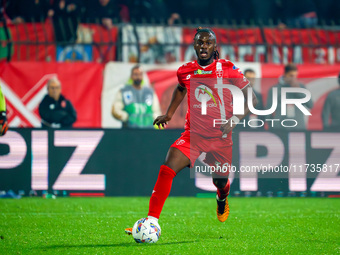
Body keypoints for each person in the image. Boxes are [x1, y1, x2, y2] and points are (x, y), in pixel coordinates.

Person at [125, 27, 257, 235]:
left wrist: (235, 119)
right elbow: (180, 88)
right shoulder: (185, 70)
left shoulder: (228, 68)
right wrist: (169, 114)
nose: (203, 46)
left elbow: (252, 99)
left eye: (208, 43)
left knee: (220, 181)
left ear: (214, 47)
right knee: (168, 166)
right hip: (193, 135)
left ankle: (222, 197)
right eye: (200, 42)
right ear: (194, 45)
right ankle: (151, 221)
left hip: (220, 137)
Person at [267, 64, 313, 130]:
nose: (293, 78)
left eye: (295, 76)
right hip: (281, 127)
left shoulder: (301, 87)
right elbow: (268, 111)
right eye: (291, 75)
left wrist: (298, 90)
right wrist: (271, 127)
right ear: (285, 74)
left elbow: (310, 105)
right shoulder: (275, 89)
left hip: (298, 127)